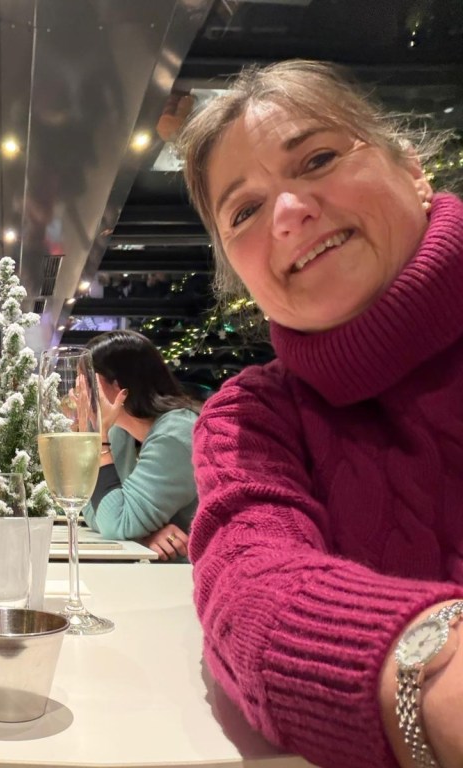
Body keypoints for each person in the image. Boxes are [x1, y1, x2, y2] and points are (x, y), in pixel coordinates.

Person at [174, 59, 463, 768]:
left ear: (412, 169)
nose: (288, 212)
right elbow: (249, 587)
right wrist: (436, 680)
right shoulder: (251, 417)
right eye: (244, 212)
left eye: (318, 159)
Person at [81, 330, 200, 561]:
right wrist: (141, 534)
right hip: (159, 571)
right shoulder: (121, 432)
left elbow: (114, 522)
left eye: (86, 382)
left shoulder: (176, 433)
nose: (78, 394)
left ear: (118, 387)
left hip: (200, 574)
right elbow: (94, 513)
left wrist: (99, 437)